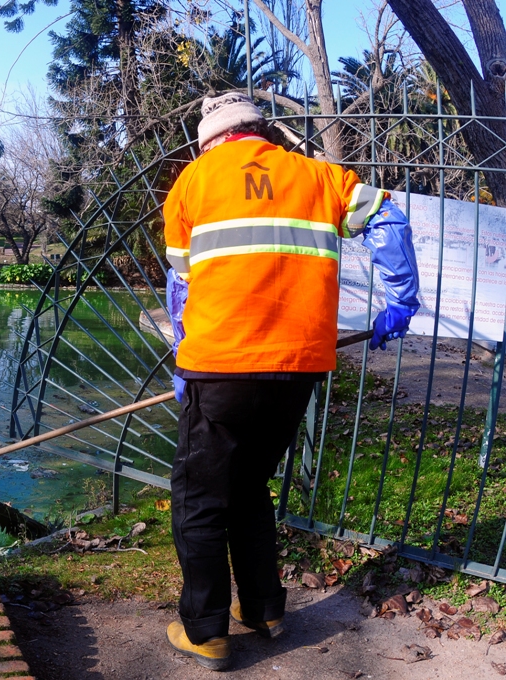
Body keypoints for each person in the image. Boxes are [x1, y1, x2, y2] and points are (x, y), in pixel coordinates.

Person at [162, 91, 420, 671]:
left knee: (199, 499)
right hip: (298, 365)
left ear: (211, 139)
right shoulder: (321, 176)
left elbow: (184, 285)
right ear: (262, 131)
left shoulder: (192, 182)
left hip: (221, 363)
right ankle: (264, 610)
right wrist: (399, 300)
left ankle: (204, 631)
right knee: (250, 485)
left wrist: (184, 355)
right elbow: (388, 218)